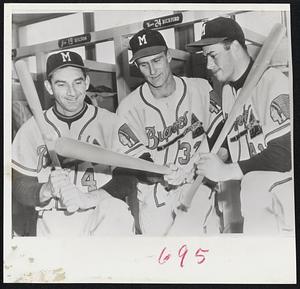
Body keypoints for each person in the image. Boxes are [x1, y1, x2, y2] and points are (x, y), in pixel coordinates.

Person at [12, 50, 146, 237]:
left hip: (101, 211)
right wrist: (46, 189)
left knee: (117, 213)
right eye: (61, 84)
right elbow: (19, 185)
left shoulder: (111, 123)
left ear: (87, 82)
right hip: (53, 218)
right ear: (49, 87)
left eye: (78, 82)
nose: (72, 92)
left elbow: (128, 177)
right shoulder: (30, 129)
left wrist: (87, 198)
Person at [187, 17, 293, 234]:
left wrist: (226, 170)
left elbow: (284, 156)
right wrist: (195, 166)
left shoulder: (273, 81)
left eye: (213, 55)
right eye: (206, 57)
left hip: (282, 189)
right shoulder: (227, 92)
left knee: (252, 185)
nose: (208, 65)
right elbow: (227, 140)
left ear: (234, 47)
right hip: (250, 194)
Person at [117, 28, 225, 235]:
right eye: (144, 65)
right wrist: (161, 173)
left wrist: (202, 166)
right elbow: (135, 160)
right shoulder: (128, 107)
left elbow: (221, 134)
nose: (152, 70)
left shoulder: (201, 88)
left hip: (199, 182)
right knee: (161, 253)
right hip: (156, 192)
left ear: (168, 55)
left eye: (157, 60)